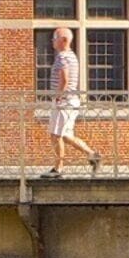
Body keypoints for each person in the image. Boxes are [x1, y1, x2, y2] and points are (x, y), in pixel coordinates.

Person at [45, 25, 99, 170]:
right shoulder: (72, 56)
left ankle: (58, 168)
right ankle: (92, 155)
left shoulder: (63, 57)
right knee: (66, 135)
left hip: (64, 101)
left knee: (56, 135)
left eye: (55, 38)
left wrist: (58, 96)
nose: (52, 41)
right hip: (71, 100)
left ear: (63, 40)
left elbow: (64, 79)